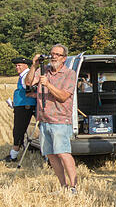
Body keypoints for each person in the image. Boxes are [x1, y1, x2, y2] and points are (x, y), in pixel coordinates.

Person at [26, 44, 78, 194]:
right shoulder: (44, 71)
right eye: (52, 53)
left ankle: (73, 187)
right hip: (44, 119)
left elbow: (63, 97)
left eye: (57, 54)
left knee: (63, 153)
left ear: (64, 58)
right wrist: (34, 66)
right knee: (51, 155)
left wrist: (48, 84)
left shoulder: (69, 74)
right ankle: (63, 186)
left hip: (60, 120)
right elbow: (29, 83)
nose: (53, 56)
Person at [5, 57, 35, 162]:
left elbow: (28, 89)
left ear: (26, 65)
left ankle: (13, 156)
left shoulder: (26, 76)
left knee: (18, 130)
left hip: (25, 106)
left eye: (19, 65)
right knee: (19, 130)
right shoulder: (23, 75)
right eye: (16, 65)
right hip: (21, 105)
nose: (17, 67)